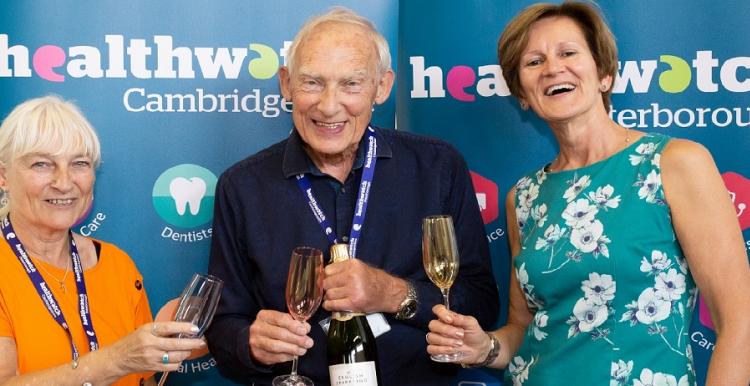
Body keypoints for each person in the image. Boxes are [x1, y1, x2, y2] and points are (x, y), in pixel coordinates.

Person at [426, 2, 750, 385]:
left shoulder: (675, 162)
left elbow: (739, 320)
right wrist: (485, 347)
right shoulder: (524, 197)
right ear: (523, 96)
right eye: (534, 62)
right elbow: (524, 329)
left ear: (604, 75)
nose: (552, 68)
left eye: (568, 53)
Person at [205, 7, 499, 385]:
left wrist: (395, 294)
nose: (329, 105)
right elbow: (223, 325)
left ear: (382, 86)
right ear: (285, 84)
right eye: (312, 82)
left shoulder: (437, 167)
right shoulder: (242, 186)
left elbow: (481, 302)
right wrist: (250, 344)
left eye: (351, 84)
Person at [0, 96, 206, 386]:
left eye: (79, 163)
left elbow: (143, 379)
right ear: (3, 176)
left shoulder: (117, 265)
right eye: (42, 164)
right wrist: (116, 359)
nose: (64, 181)